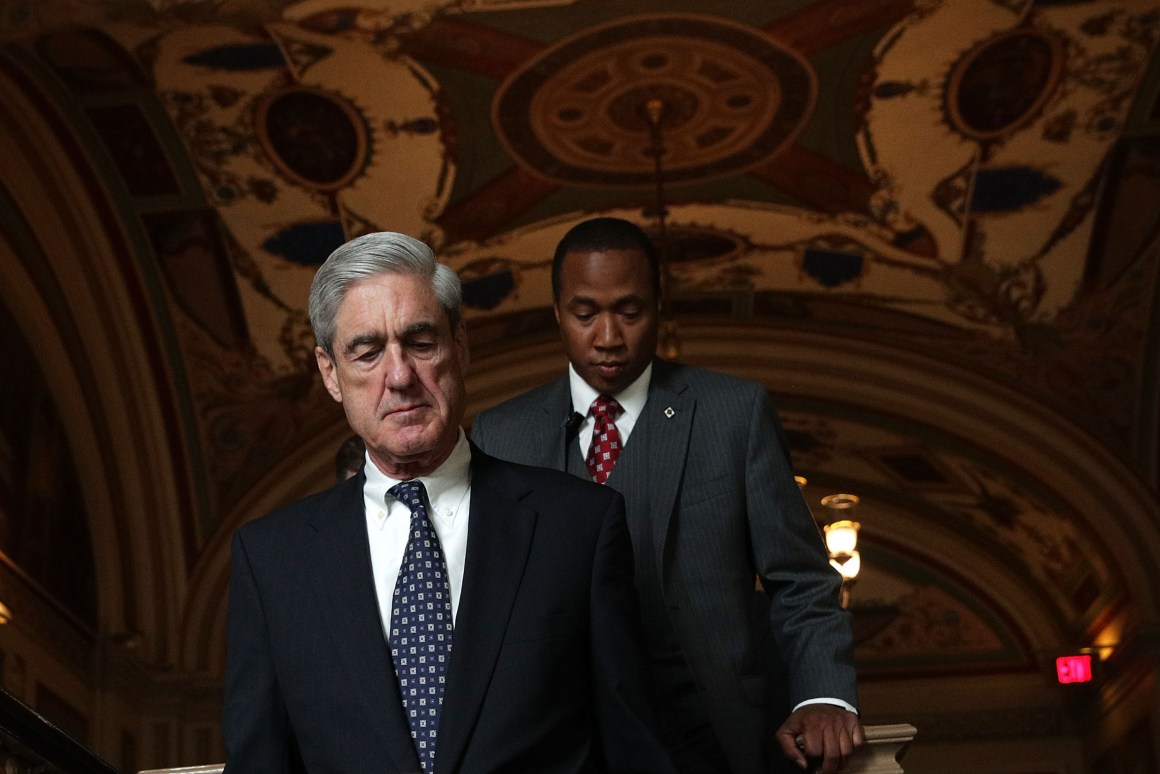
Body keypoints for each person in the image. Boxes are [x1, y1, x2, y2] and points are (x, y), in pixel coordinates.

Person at [223, 231, 674, 773]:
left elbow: (635, 751)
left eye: (420, 342)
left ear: (460, 346)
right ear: (329, 374)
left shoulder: (578, 526)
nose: (399, 376)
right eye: (367, 352)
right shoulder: (272, 559)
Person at [471, 217, 864, 774]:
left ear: (659, 306)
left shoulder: (734, 414)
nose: (608, 336)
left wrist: (824, 694)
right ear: (556, 313)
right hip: (558, 744)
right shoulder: (498, 435)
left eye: (630, 312)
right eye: (585, 315)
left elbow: (800, 579)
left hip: (711, 736)